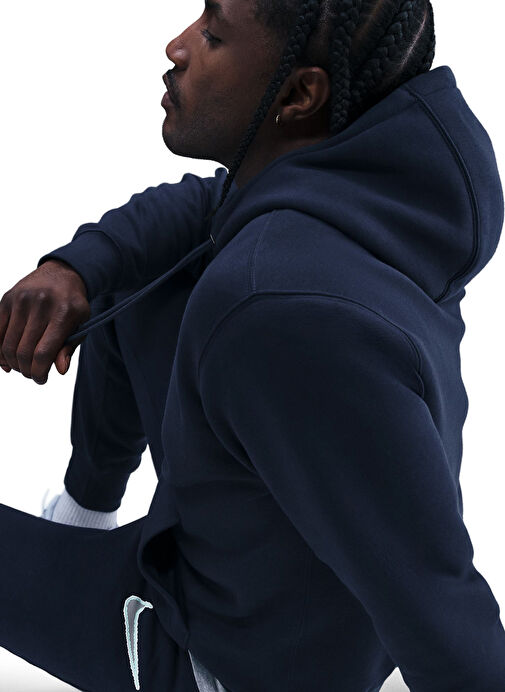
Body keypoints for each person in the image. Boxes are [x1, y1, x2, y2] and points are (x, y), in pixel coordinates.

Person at [1, 0, 504, 690]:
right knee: (142, 272)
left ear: (298, 95)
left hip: (222, 658)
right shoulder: (374, 186)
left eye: (212, 35)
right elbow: (208, 204)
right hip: (285, 576)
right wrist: (76, 268)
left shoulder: (278, 313)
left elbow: (439, 605)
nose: (177, 46)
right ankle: (84, 517)